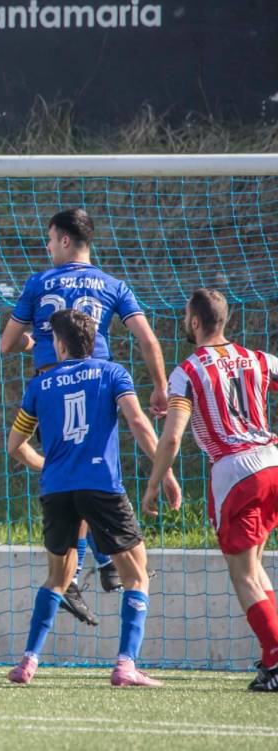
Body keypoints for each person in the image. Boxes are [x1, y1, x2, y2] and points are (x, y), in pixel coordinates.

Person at [0, 208, 169, 623]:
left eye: (49, 238)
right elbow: (146, 337)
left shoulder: (39, 282)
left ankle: (78, 576)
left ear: (63, 240)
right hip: (99, 387)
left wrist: (38, 341)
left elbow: (7, 344)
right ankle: (107, 562)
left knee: (64, 472)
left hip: (50, 389)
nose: (46, 246)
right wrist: (160, 386)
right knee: (96, 469)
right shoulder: (113, 285)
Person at [5, 309, 180, 686]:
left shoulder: (41, 383)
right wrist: (163, 470)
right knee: (135, 577)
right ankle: (125, 665)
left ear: (61, 344)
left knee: (56, 578)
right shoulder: (113, 373)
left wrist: (47, 464)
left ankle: (28, 663)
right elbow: (137, 422)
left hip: (56, 489)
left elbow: (15, 445)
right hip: (100, 486)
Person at [144, 288, 278, 692]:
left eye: (187, 317)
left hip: (235, 471)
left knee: (243, 576)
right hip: (272, 462)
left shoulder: (188, 370)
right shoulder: (260, 359)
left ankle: (276, 660)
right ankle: (272, 651)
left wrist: (154, 484)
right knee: (254, 569)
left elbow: (171, 438)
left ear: (196, 322)